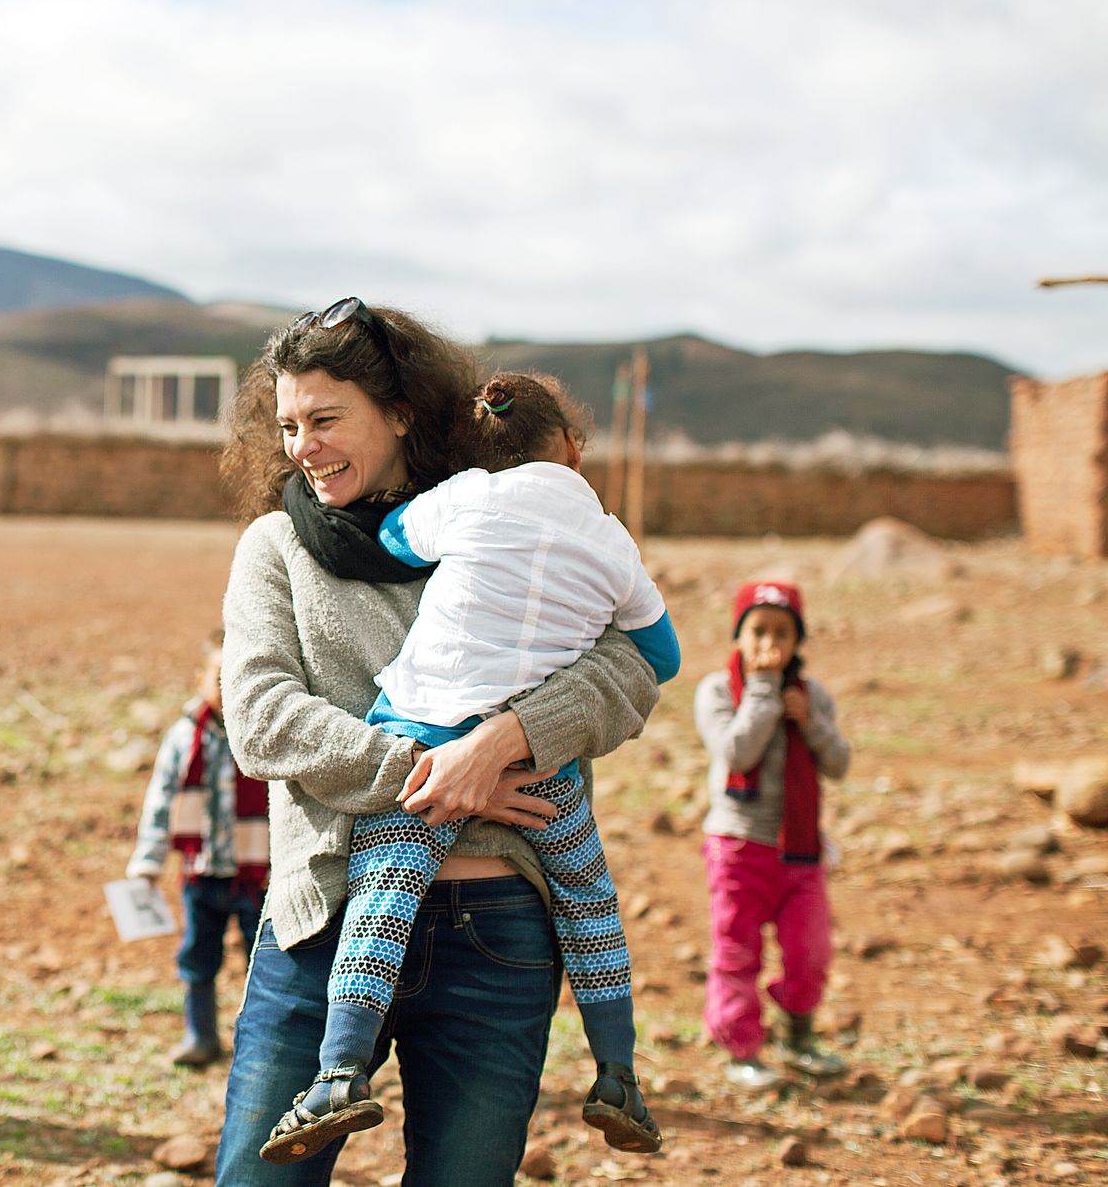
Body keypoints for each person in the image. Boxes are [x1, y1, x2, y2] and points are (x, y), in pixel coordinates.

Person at [213, 297, 663, 1186]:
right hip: (326, 914)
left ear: (402, 414)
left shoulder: (508, 522)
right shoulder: (275, 549)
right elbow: (260, 713)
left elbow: (631, 670)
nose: (304, 445)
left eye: (327, 419)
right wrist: (432, 774)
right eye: (290, 424)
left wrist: (499, 743)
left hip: (497, 931)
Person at [695, 580, 852, 1088]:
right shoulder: (717, 691)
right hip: (738, 848)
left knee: (811, 951)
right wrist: (762, 691)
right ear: (737, 635)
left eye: (782, 631)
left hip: (801, 851)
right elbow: (737, 753)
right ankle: (743, 1050)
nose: (770, 642)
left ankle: (798, 1035)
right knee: (737, 950)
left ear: (798, 640)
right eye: (757, 629)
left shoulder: (812, 697)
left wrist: (811, 724)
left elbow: (839, 763)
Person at [126, 629, 268, 1067]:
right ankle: (200, 1035)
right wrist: (148, 862)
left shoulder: (265, 731)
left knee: (261, 959)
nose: (229, 689)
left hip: (259, 872)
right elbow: (161, 798)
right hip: (202, 871)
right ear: (199, 678)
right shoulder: (184, 737)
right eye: (219, 677)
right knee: (198, 955)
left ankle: (260, 1043)